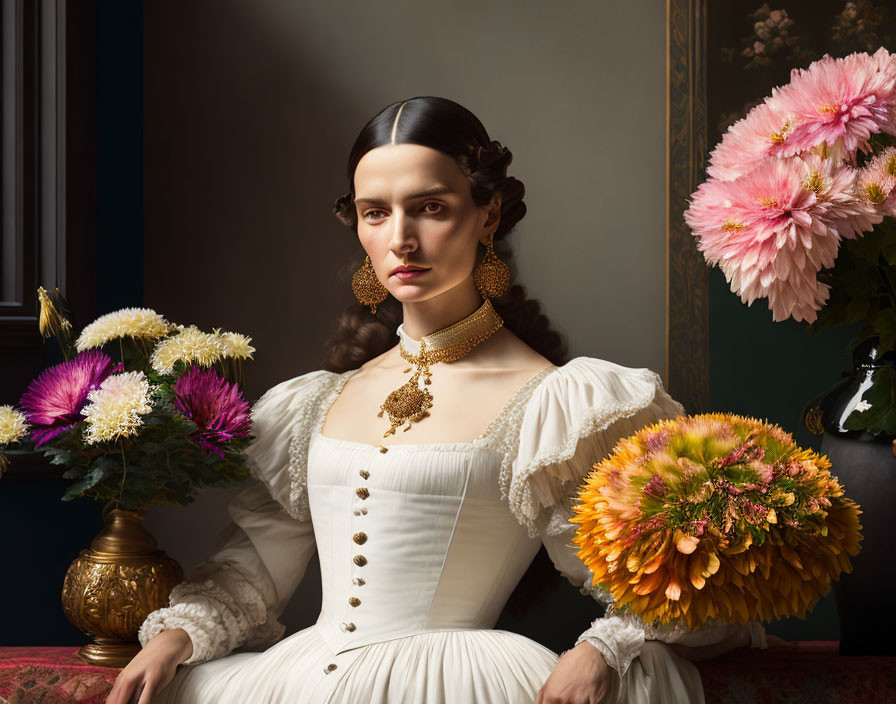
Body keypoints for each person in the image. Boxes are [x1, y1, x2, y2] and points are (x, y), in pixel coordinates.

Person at [109, 96, 767, 704]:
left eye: (430, 207)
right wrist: (178, 637)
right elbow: (251, 574)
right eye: (376, 212)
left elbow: (675, 590)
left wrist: (603, 647)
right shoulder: (313, 402)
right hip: (301, 679)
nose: (401, 238)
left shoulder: (555, 406)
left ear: (489, 215)